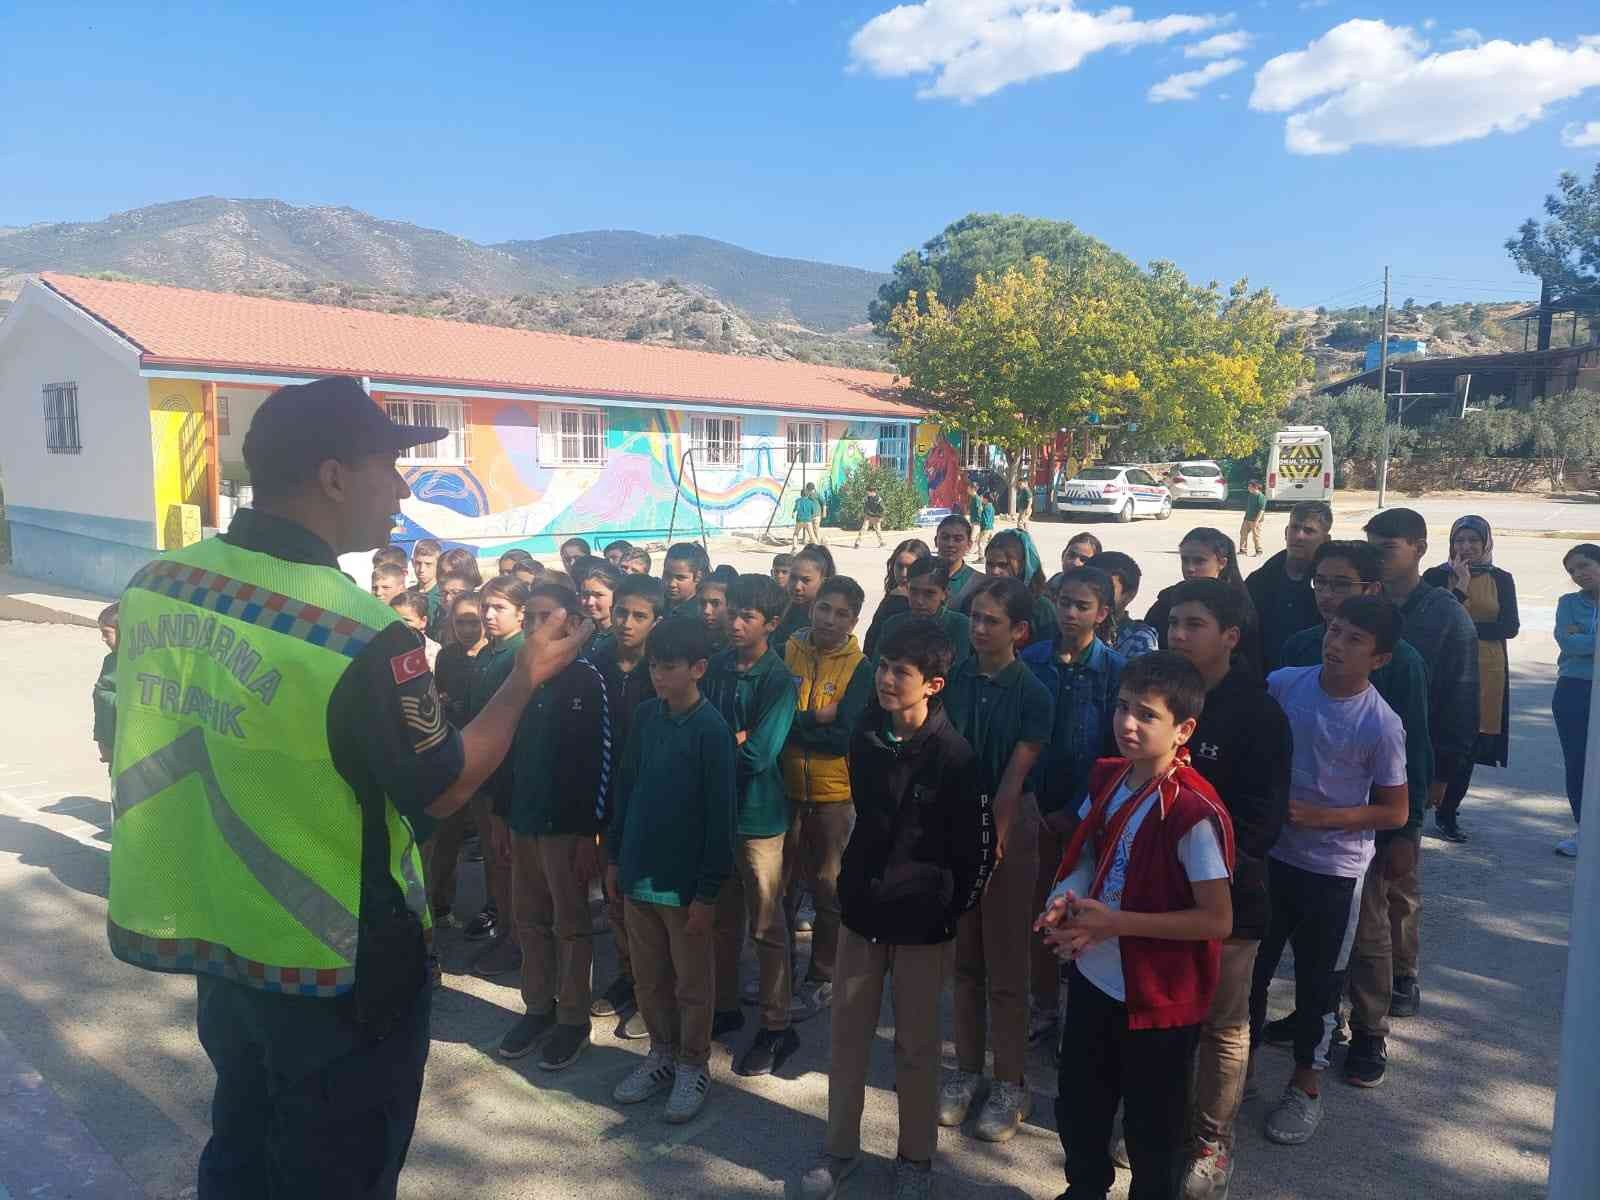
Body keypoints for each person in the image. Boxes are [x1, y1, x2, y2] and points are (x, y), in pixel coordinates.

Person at [105, 376, 587, 1200]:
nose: (401, 488)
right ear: (332, 478)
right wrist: (523, 683)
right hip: (338, 964)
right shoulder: (361, 637)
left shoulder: (158, 584)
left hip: (223, 942)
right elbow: (440, 792)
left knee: (243, 1147)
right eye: (387, 467)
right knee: (339, 1172)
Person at [798, 618, 993, 1200]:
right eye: (882, 667)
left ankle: (915, 1159)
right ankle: (838, 1150)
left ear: (932, 684)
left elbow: (978, 853)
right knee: (848, 1040)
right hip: (863, 911)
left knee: (915, 1048)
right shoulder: (867, 735)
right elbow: (868, 816)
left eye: (899, 672)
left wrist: (946, 906)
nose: (885, 680)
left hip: (922, 922)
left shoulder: (957, 757)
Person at [1037, 651, 1235, 1200]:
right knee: (1080, 1102)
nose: (1127, 723)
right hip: (1096, 976)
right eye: (1123, 707)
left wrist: (1114, 923)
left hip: (1157, 996)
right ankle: (1085, 1188)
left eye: (1147, 715)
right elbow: (1084, 854)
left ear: (1183, 729)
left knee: (1154, 1128)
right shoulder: (1109, 776)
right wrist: (1063, 899)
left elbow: (1217, 918)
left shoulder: (1193, 812)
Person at [1273, 540, 1432, 1091]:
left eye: (1341, 585)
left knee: (1364, 940)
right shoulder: (1295, 662)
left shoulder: (1396, 681)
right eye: (1321, 583)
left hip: (1342, 854)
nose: (1328, 601)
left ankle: (1367, 1031)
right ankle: (1303, 1025)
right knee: (1277, 958)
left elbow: (1409, 766)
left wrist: (1403, 832)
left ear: (1371, 588)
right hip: (1279, 848)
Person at [1250, 596, 1408, 1148]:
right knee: (1249, 970)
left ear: (1379, 658)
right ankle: (1235, 1067)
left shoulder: (1381, 724)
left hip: (1334, 872)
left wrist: (1326, 818)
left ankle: (1305, 1084)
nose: (1336, 645)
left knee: (1320, 985)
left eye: (1354, 640)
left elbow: (1395, 810)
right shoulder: (1284, 684)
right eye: (1334, 631)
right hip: (1270, 859)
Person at [1164, 579, 1291, 1196]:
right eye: (1173, 623)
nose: (1178, 635)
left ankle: (1212, 1141)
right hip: (1153, 895)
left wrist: (1198, 871)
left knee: (1221, 1024)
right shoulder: (1156, 697)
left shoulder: (1258, 713)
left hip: (1230, 899)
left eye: (1194, 625)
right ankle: (1157, 1122)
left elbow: (1262, 822)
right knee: (1160, 1014)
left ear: (1231, 638)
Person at [606, 620, 737, 1124]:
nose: (658, 675)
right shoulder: (645, 718)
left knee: (691, 983)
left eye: (669, 667)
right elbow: (626, 789)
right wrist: (615, 858)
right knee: (649, 979)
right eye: (654, 666)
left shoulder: (711, 732)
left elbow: (719, 820)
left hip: (684, 887)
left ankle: (691, 1063)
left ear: (698, 669)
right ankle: (660, 1053)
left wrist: (707, 893)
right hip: (639, 873)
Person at [940, 576, 1054, 1143]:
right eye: (974, 618)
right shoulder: (954, 678)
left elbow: (1015, 774)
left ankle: (1011, 1082)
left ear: (1019, 631)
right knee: (964, 960)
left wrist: (993, 837)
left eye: (991, 621)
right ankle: (965, 1071)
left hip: (1008, 825)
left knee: (1007, 967)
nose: (979, 629)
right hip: (956, 823)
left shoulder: (1033, 691)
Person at [1363, 508, 1477, 1018]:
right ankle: (1352, 970)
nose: (1378, 556)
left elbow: (1460, 697)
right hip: (1355, 758)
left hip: (1413, 761)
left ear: (1419, 549)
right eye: (1372, 545)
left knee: (1399, 878)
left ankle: (1404, 972)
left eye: (1388, 546)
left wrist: (1443, 775)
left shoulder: (1445, 614)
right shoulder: (1360, 605)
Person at [498, 584, 611, 1070]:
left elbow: (600, 761)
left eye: (547, 616)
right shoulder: (518, 675)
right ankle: (537, 1007)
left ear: (570, 623)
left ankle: (572, 1019)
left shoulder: (587, 680)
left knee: (570, 923)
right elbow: (502, 751)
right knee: (529, 917)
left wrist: (591, 832)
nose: (535, 626)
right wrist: (502, 817)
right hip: (523, 818)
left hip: (565, 825)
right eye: (529, 617)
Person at [1022, 566, 1125, 1053]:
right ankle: (1043, 1005)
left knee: (1083, 909)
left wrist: (1078, 808)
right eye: (1064, 602)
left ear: (1103, 613)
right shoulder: (1034, 659)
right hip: (1037, 809)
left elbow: (1114, 751)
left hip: (1091, 812)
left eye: (1082, 606)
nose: (1069, 612)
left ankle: (1083, 1011)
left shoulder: (1115, 671)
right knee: (1041, 906)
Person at [703, 575, 801, 1076]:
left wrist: (725, 743)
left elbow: (761, 754)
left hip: (760, 818)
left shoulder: (779, 680)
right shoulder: (716, 666)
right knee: (722, 921)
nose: (734, 623)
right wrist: (732, 737)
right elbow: (699, 731)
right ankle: (723, 1007)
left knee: (766, 925)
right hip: (717, 812)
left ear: (773, 623)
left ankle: (777, 1025)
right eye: (732, 612)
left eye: (747, 617)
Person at [781, 575, 874, 1018]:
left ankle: (822, 975)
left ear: (854, 620)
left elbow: (843, 739)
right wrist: (815, 717)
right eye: (824, 608)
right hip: (783, 790)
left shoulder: (861, 668)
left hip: (834, 794)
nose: (830, 620)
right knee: (778, 888)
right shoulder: (788, 650)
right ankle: (776, 971)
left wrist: (791, 725)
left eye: (841, 614)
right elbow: (769, 715)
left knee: (826, 889)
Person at [590, 573, 666, 1036]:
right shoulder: (595, 663)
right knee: (616, 898)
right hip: (607, 799)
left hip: (651, 800)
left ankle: (656, 990)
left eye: (639, 616)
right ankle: (629, 976)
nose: (626, 623)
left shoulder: (661, 670)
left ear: (656, 622)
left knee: (651, 903)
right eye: (621, 612)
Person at [1419, 516, 1519, 842]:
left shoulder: (1501, 578)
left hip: (1486, 672)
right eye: (1459, 541)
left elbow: (1508, 627)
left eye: (1473, 541)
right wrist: (1459, 586)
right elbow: (1431, 623)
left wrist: (1461, 626)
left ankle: (1448, 812)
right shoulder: (1436, 577)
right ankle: (1418, 802)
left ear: (1486, 543)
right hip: (1443, 667)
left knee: (1468, 744)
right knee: (1435, 735)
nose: (1466, 547)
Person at [463, 576, 531, 972]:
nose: (489, 615)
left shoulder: (519, 656)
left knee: (509, 861)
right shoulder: (489, 653)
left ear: (521, 614)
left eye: (500, 608)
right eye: (486, 607)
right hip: (482, 772)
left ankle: (517, 937)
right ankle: (505, 930)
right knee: (494, 858)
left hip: (504, 773)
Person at [426, 591, 488, 930]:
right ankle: (440, 905)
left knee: (492, 843)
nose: (467, 628)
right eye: (460, 621)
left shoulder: (496, 655)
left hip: (488, 756)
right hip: (453, 754)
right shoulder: (447, 657)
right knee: (445, 838)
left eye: (473, 621)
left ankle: (495, 908)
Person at [1147, 528, 1263, 680]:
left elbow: (1251, 662)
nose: (1190, 568)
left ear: (1222, 563)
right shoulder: (1165, 602)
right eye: (1185, 560)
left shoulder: (1239, 608)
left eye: (1199, 561)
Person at [1247, 501, 1333, 674]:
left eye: (1309, 531)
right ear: (1286, 533)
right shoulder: (1259, 581)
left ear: (1325, 539)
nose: (1299, 536)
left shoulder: (1333, 584)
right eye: (1294, 528)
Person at [1553, 544, 1599, 858]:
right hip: (1574, 688)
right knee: (1578, 764)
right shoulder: (1568, 603)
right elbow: (1567, 642)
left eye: (1584, 566)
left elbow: (1580, 640)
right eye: (1572, 571)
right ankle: (1585, 829)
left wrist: (1584, 638)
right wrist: (1581, 640)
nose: (1578, 574)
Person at [965, 528, 1057, 649]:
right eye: (990, 564)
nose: (995, 572)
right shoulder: (976, 599)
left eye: (1003, 565)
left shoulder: (1041, 607)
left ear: (1023, 564)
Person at [876, 558, 972, 669]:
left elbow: (957, 673)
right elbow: (878, 669)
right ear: (907, 589)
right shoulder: (893, 624)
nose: (919, 601)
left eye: (929, 593)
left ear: (945, 594)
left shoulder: (959, 625)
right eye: (914, 591)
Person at [862, 538, 930, 660]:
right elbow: (871, 643)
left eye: (910, 567)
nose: (904, 573)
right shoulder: (892, 597)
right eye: (899, 566)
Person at [1090, 551, 1160, 660]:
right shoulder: (1068, 623)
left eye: (1108, 587)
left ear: (1130, 594)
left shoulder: (1139, 639)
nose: (1096, 594)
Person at [773, 544, 834, 657]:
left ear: (823, 581)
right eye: (793, 578)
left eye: (806, 580)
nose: (797, 586)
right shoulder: (783, 605)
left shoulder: (827, 621)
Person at [92, 602, 120, 765]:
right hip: (108, 737)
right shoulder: (110, 661)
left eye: (106, 633)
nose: (102, 638)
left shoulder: (138, 663)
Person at [578, 560, 622, 656]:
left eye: (598, 595)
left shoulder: (624, 639)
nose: (590, 602)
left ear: (616, 595)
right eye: (585, 595)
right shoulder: (583, 634)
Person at [389, 590, 440, 671]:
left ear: (423, 621)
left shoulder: (432, 651)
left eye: (406, 620)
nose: (399, 624)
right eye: (394, 618)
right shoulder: (384, 644)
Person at [934, 513, 980, 603]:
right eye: (945, 538)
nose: (950, 544)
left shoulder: (977, 582)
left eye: (958, 539)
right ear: (936, 541)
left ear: (969, 545)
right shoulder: (923, 575)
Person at [1047, 533, 1104, 597]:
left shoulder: (1099, 595)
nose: (1075, 563)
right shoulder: (1045, 589)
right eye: (1071, 556)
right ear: (1063, 555)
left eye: (1083, 559)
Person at [662, 542, 708, 618]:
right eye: (667, 575)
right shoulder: (657, 604)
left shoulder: (700, 614)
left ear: (698, 577)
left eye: (680, 578)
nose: (671, 584)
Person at [695, 571, 734, 655]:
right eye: (702, 603)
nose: (706, 611)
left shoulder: (739, 647)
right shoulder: (689, 638)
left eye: (715, 603)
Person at [411, 537, 442, 625]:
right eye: (418, 563)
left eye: (428, 564)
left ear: (438, 564)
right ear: (413, 562)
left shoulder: (443, 597)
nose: (421, 569)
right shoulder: (408, 593)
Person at [1239, 482, 1267, 558]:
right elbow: (1248, 508)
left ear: (1255, 487)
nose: (1248, 488)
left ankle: (1259, 551)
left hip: (1255, 520)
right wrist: (1245, 518)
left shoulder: (1261, 497)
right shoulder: (1251, 495)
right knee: (1243, 533)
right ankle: (1243, 550)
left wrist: (1256, 521)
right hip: (1247, 519)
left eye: (1250, 486)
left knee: (1256, 536)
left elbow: (1261, 510)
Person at [794, 483, 825, 551]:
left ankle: (818, 546)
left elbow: (823, 503)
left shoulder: (817, 494)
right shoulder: (807, 496)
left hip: (816, 515)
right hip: (809, 517)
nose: (808, 491)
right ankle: (815, 546)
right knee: (811, 532)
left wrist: (824, 512)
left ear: (811, 489)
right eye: (807, 490)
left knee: (815, 531)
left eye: (808, 489)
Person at [976, 491, 997, 558]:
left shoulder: (986, 507)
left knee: (981, 543)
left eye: (983, 498)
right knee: (989, 543)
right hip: (991, 527)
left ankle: (981, 557)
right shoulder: (991, 507)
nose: (982, 500)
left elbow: (985, 519)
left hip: (985, 528)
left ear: (986, 499)